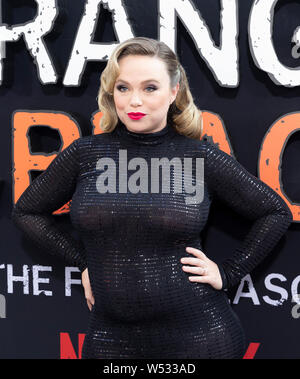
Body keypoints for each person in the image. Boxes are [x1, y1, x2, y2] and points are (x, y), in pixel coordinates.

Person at [11, 37, 293, 359]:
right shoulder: (85, 154)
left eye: (149, 88)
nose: (134, 101)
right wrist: (84, 263)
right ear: (110, 92)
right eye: (123, 88)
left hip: (199, 338)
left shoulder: (198, 157)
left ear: (173, 92)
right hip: (109, 339)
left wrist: (228, 273)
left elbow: (275, 212)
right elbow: (27, 212)